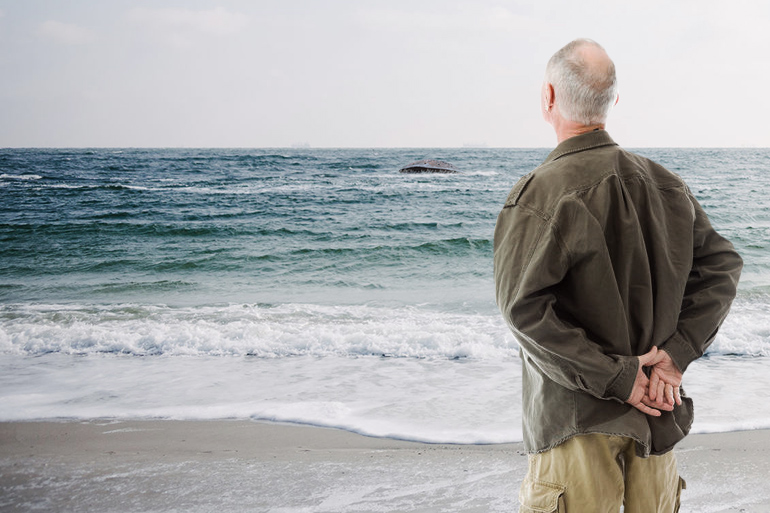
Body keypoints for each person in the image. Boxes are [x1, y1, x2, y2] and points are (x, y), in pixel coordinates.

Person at [493, 39, 743, 512]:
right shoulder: (665, 184)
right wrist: (674, 356)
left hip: (577, 421)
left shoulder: (539, 193)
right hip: (656, 414)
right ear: (613, 101)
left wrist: (620, 379)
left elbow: (523, 310)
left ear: (548, 97)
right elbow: (722, 266)